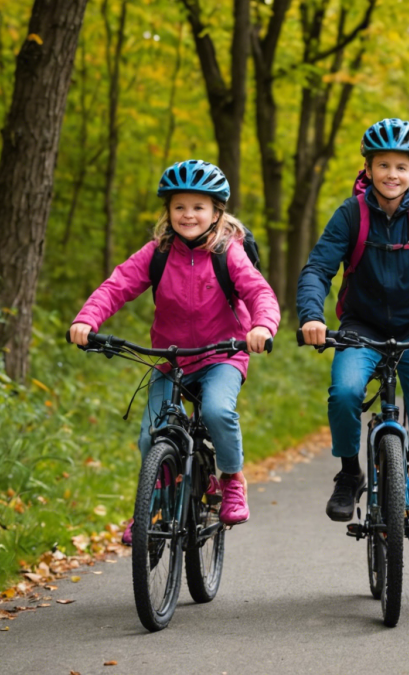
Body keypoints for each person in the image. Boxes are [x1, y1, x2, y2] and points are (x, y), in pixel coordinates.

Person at [297, 118, 409, 574]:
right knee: (344, 393)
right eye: (383, 165)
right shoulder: (351, 214)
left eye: (401, 167)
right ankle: (349, 472)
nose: (392, 174)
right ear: (368, 168)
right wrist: (312, 316)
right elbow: (318, 269)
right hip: (361, 327)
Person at [70, 160, 280, 541]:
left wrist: (262, 326)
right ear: (168, 211)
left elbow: (258, 292)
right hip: (171, 359)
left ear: (216, 212)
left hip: (222, 355)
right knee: (151, 435)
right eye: (179, 206)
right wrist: (87, 319)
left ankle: (232, 478)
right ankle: (152, 507)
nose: (188, 214)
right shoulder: (158, 253)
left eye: (198, 207)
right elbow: (116, 286)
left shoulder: (228, 253)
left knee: (217, 411)